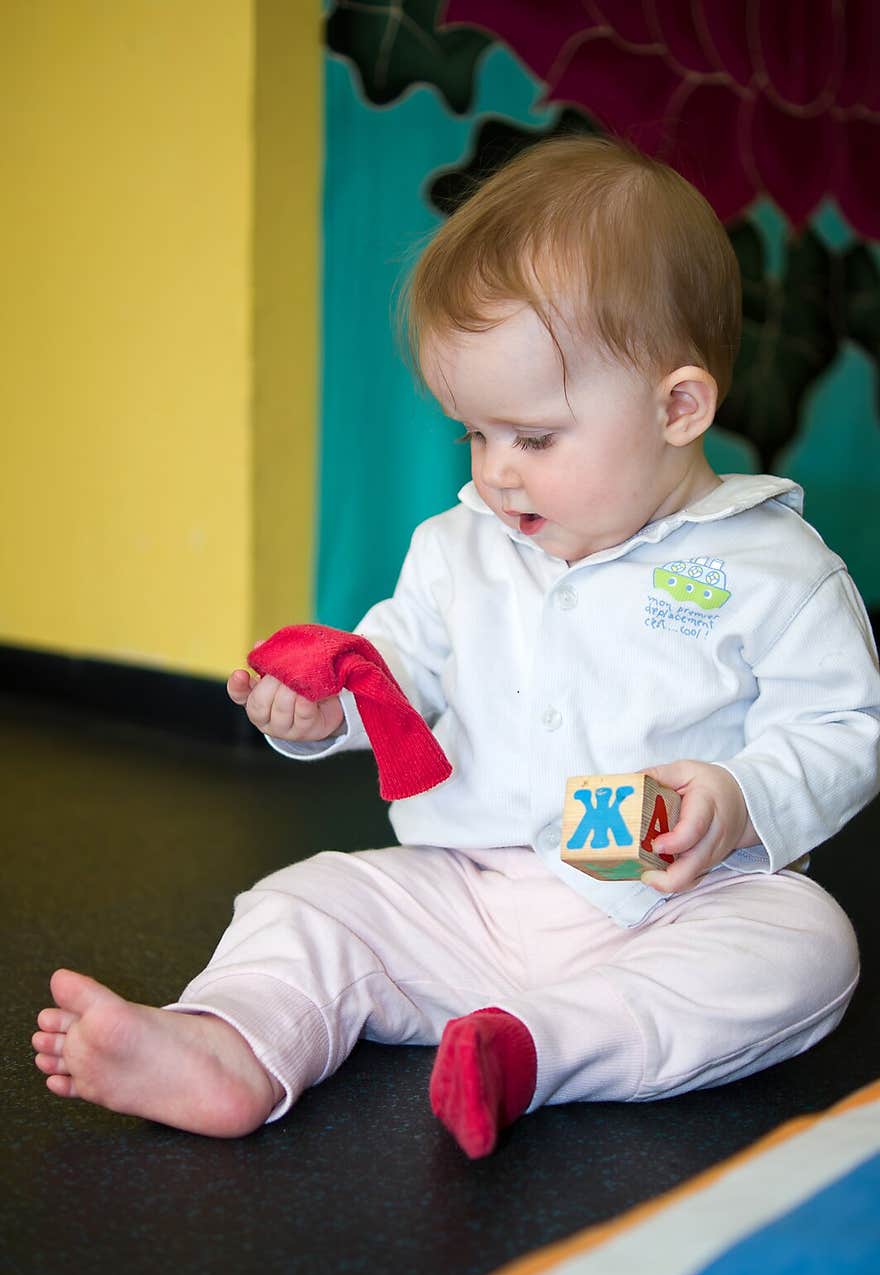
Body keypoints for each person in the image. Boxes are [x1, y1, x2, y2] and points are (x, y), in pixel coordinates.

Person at [33, 135, 880, 1159]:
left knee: (807, 948)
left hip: (678, 903)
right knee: (309, 897)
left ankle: (532, 1049)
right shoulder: (458, 545)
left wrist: (738, 797)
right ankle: (229, 1044)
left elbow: (843, 726)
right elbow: (397, 669)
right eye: (472, 434)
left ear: (677, 406)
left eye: (532, 438)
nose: (496, 474)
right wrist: (324, 711)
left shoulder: (774, 566)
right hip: (466, 890)